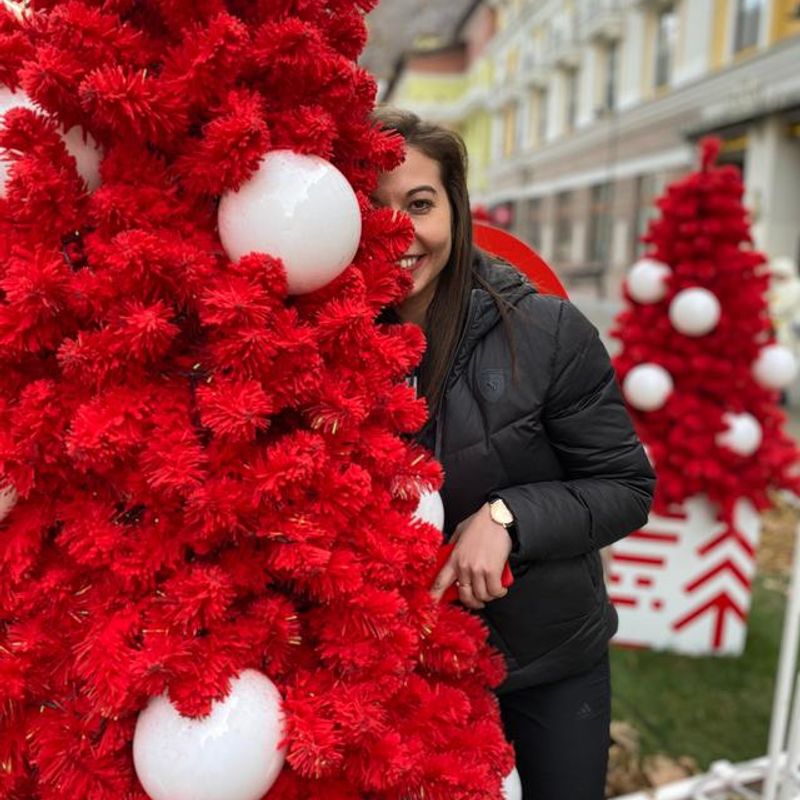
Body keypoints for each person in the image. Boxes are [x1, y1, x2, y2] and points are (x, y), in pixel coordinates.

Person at [371, 107, 656, 800]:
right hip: (387, 672)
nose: (399, 232)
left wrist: (509, 517)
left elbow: (625, 485)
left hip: (542, 661)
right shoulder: (313, 344)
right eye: (374, 208)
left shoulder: (546, 331)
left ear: (456, 209)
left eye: (420, 204)